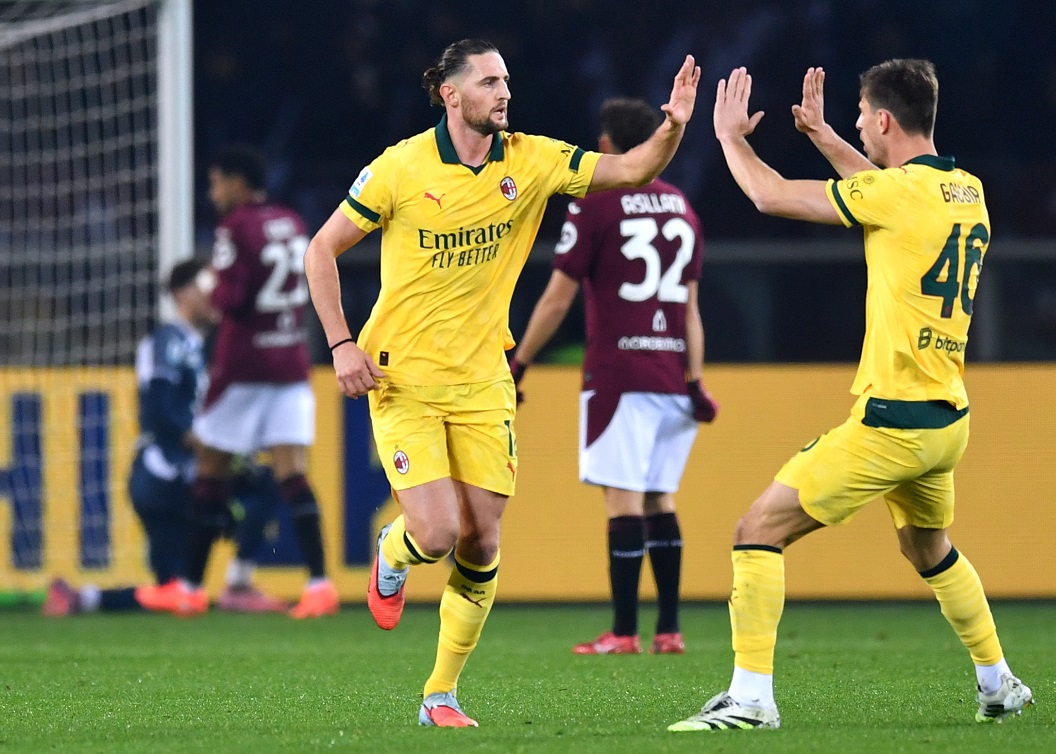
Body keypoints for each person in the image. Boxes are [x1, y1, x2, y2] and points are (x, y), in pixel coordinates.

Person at [304, 39, 700, 727]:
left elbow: (634, 167)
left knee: (482, 542)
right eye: (489, 82)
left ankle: (440, 694)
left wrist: (673, 127)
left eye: (506, 80)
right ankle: (393, 552)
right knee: (435, 532)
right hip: (404, 376)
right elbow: (321, 250)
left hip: (485, 379)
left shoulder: (533, 160)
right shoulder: (400, 167)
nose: (504, 92)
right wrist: (340, 343)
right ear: (450, 94)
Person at [668, 60, 1034, 731]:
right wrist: (824, 136)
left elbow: (771, 196)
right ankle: (998, 682)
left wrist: (728, 138)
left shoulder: (895, 195)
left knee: (757, 530)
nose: (858, 124)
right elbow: (887, 191)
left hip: (893, 422)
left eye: (862, 115)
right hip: (946, 419)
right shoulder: (966, 190)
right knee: (928, 548)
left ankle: (751, 700)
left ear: (885, 119)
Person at [509, 97, 717, 656]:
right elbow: (691, 308)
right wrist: (695, 381)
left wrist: (520, 361)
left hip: (619, 373)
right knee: (660, 500)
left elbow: (557, 299)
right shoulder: (681, 207)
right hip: (673, 375)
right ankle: (668, 629)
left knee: (623, 504)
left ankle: (623, 632)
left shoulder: (596, 203)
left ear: (605, 145)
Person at [43, 261, 286, 617]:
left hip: (180, 477)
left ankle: (84, 598)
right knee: (180, 590)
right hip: (166, 477)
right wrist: (206, 445)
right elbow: (159, 410)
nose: (216, 294)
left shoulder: (201, 346)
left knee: (179, 590)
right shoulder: (167, 342)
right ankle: (235, 581)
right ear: (181, 294)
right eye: (207, 285)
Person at [182, 146, 339, 619]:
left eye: (216, 182)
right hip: (290, 360)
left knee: (210, 466)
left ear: (236, 181)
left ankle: (189, 587)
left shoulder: (234, 227)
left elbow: (231, 299)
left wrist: (209, 294)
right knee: (292, 472)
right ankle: (320, 584)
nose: (213, 193)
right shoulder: (291, 220)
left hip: (245, 365)